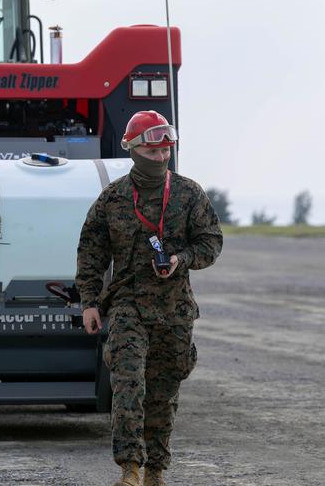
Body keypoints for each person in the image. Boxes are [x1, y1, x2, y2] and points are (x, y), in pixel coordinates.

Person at [76, 110, 224, 486]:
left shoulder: (189, 194)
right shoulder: (113, 199)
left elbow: (211, 242)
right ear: (134, 150)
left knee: (163, 392)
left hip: (174, 310)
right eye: (153, 151)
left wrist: (182, 259)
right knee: (128, 384)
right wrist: (90, 302)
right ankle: (130, 469)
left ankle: (156, 470)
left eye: (166, 151)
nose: (161, 157)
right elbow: (91, 252)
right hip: (128, 307)